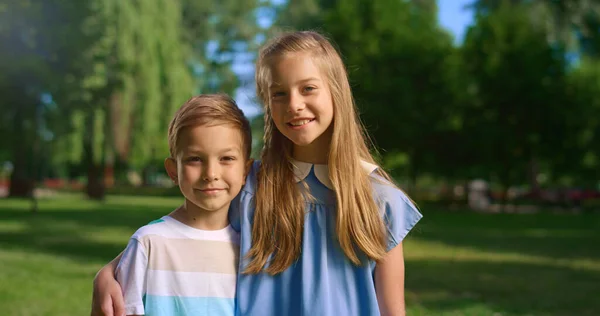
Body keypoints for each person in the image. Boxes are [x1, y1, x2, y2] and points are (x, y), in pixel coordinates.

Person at [92, 31, 422, 316]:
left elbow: (392, 309)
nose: (294, 104)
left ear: (337, 91)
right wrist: (109, 271)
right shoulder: (251, 185)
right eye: (279, 93)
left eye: (308, 88)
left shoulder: (380, 200)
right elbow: (189, 227)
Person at [113, 94, 252, 315]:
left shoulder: (249, 249)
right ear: (172, 171)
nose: (211, 174)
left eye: (226, 158)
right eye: (195, 159)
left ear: (246, 170)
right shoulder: (148, 243)